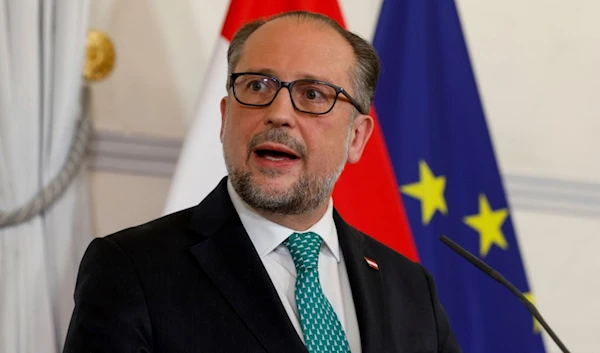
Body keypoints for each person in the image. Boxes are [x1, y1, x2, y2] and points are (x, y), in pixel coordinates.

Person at [63, 10, 461, 353]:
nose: (279, 113)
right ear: (224, 118)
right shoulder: (133, 269)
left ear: (356, 137)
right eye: (257, 86)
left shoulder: (411, 289)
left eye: (313, 94)